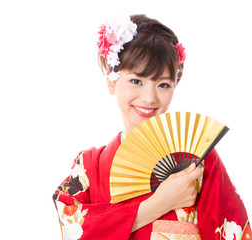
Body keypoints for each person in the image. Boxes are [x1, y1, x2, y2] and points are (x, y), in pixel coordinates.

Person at [52, 14, 250, 240]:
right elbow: (71, 228)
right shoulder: (89, 167)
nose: (149, 98)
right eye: (136, 81)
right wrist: (156, 205)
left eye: (163, 84)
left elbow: (232, 230)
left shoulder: (199, 159)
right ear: (111, 81)